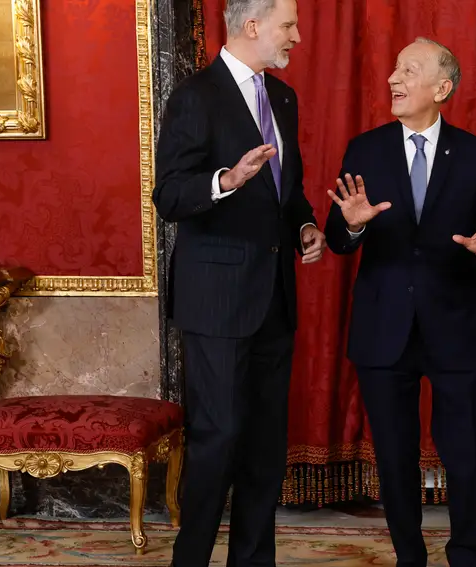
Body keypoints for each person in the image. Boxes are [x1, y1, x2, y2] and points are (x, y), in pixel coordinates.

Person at [324, 37, 476, 567]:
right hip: (383, 328)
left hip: (454, 325)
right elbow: (337, 240)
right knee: (394, 455)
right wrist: (351, 226)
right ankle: (410, 556)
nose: (393, 78)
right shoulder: (365, 149)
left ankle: (466, 553)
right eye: (394, 68)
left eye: (409, 70)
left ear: (442, 87)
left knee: (463, 452)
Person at [151, 1, 326, 565]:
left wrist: (303, 226)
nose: (296, 37)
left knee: (265, 452)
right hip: (218, 303)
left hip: (274, 299)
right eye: (289, 25)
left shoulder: (283, 98)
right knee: (217, 441)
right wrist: (226, 179)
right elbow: (170, 196)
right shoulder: (195, 95)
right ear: (253, 27)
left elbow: (286, 189)